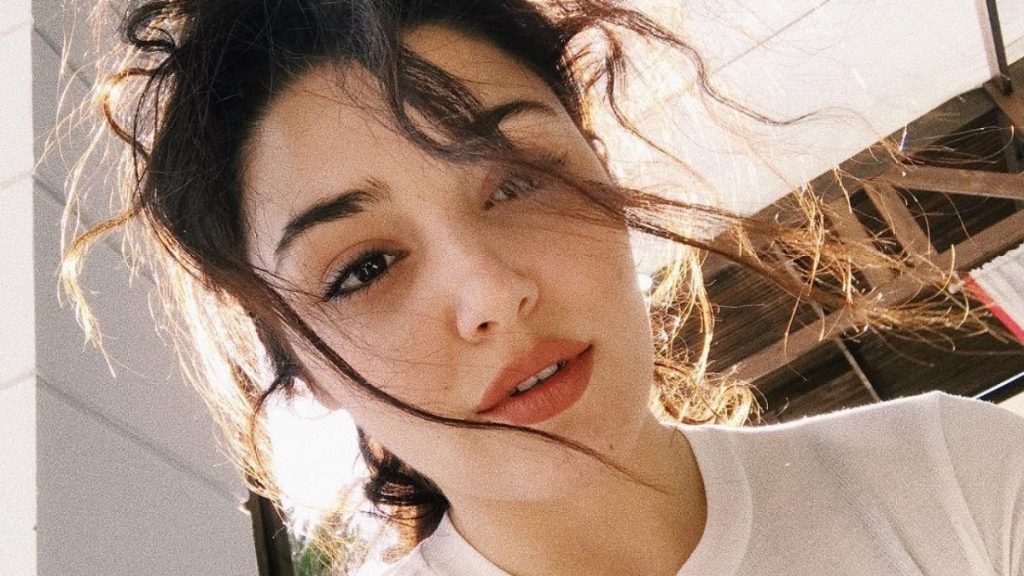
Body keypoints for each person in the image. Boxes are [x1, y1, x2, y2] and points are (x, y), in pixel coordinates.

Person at [61, 1, 1024, 574]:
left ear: (600, 166)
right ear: (300, 365)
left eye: (518, 180)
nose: (489, 293)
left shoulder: (954, 480)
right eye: (364, 268)